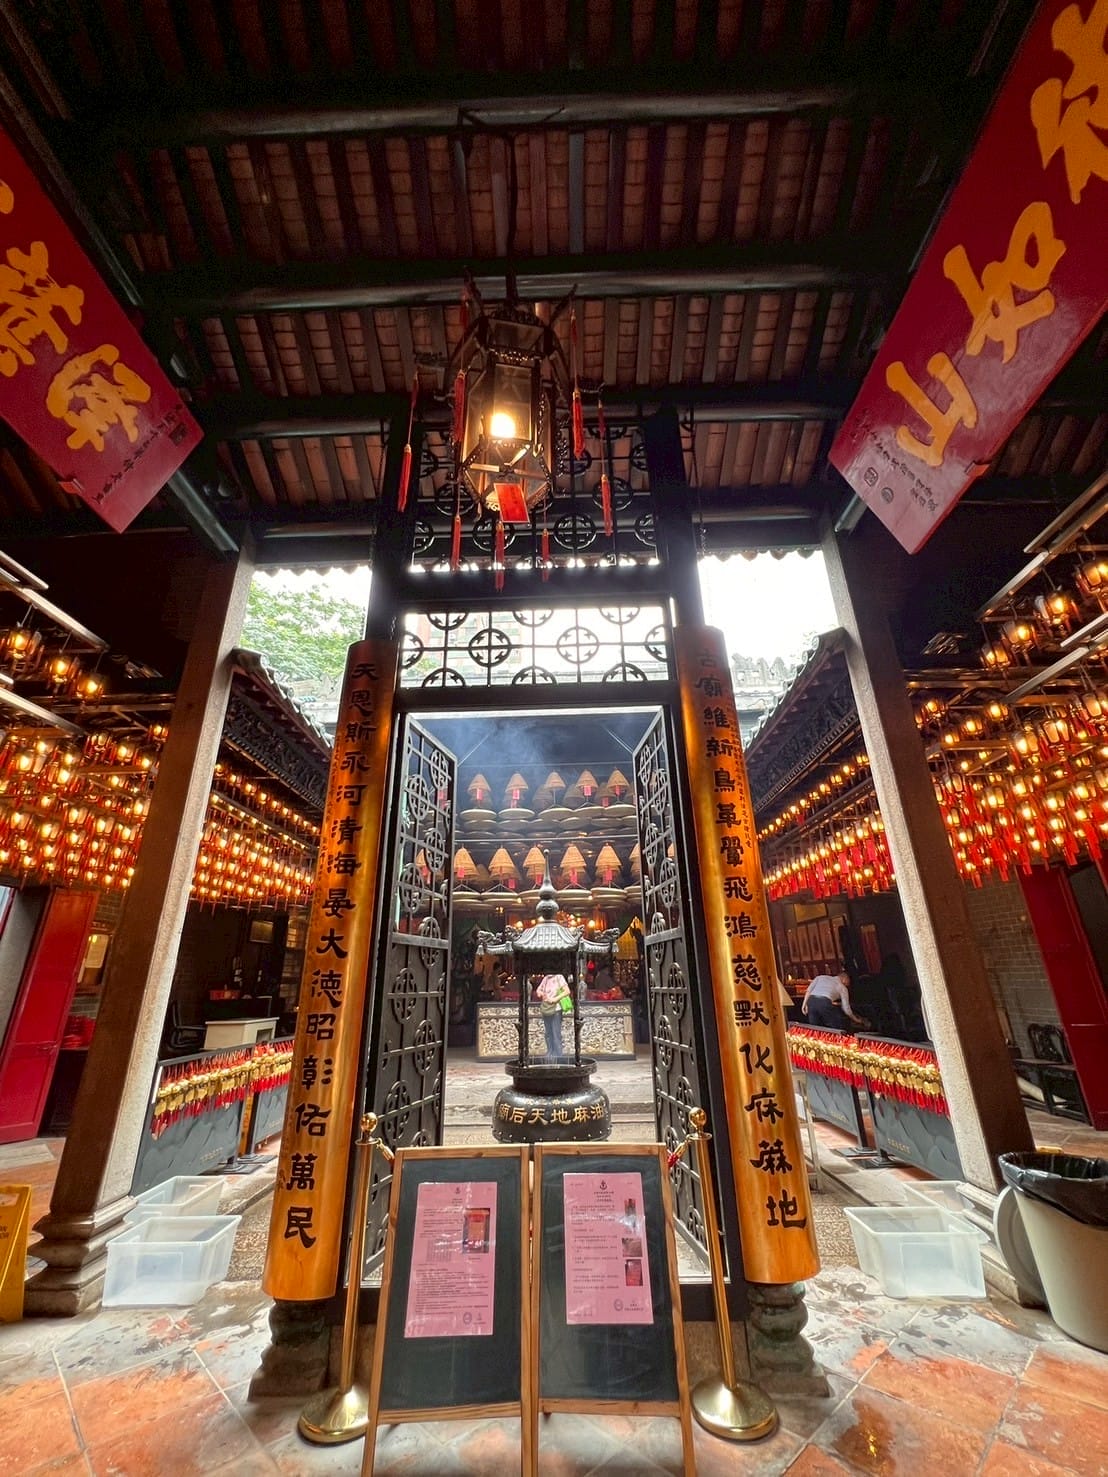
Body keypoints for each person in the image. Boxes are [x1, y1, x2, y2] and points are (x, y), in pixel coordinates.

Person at [535, 972, 571, 1059]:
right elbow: (538, 990)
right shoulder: (546, 978)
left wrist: (555, 999)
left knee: (556, 1033)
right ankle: (550, 1052)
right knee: (548, 1033)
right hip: (546, 1008)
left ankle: (558, 1055)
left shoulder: (559, 977)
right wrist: (540, 993)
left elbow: (567, 991)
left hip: (556, 1009)